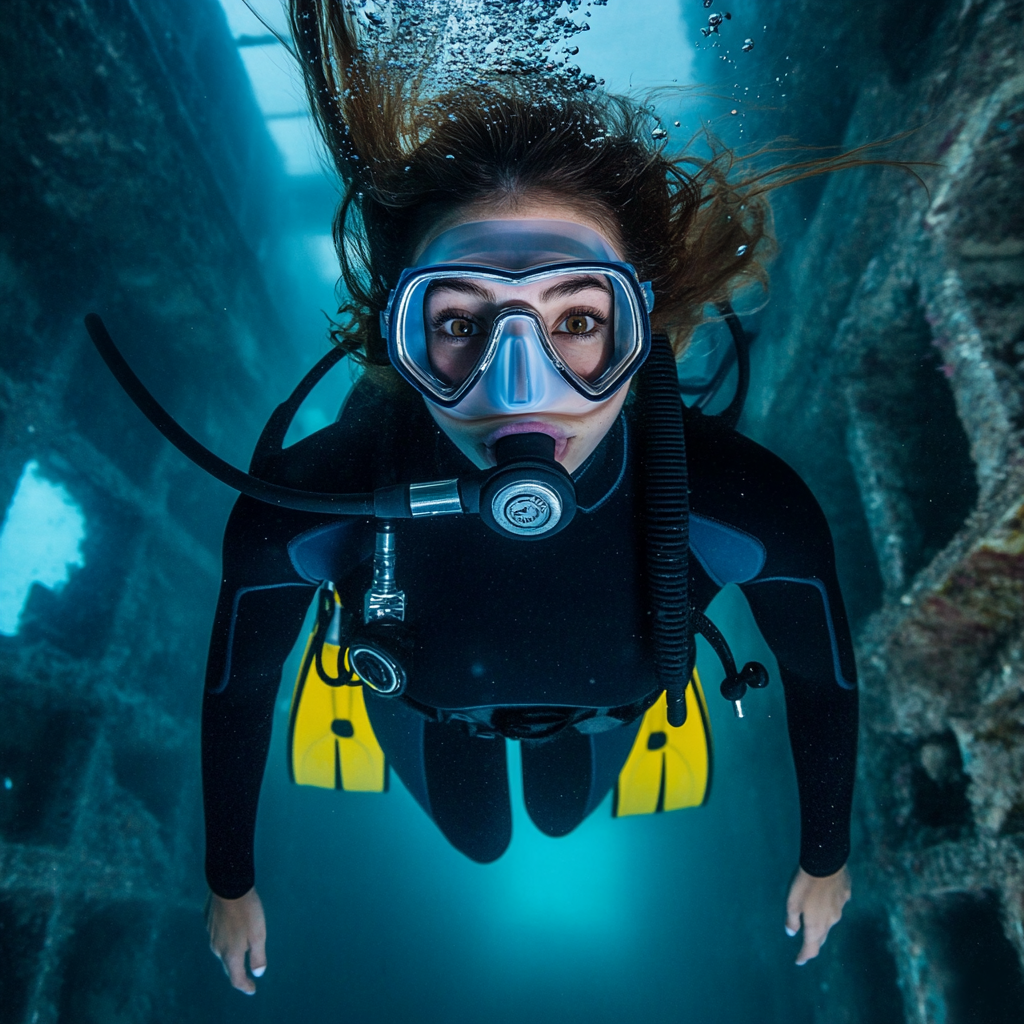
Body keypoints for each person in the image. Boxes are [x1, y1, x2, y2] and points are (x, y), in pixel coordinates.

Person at [202, 0, 859, 994]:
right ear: (399, 337)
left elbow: (822, 682)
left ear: (645, 329)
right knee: (476, 838)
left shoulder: (744, 503)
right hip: (425, 715)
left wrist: (823, 856)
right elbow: (240, 686)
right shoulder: (314, 502)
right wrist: (230, 879)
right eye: (460, 321)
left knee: (556, 814)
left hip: (605, 723)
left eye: (578, 318)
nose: (522, 389)